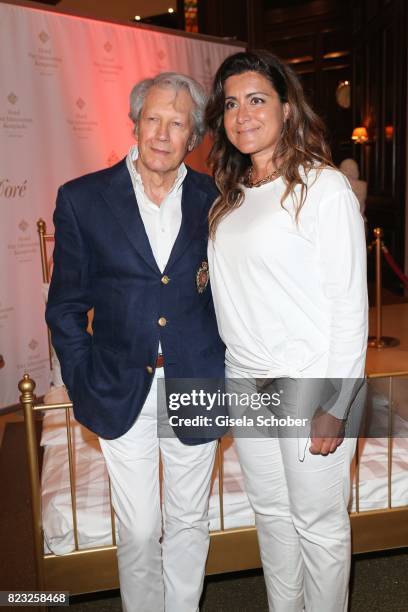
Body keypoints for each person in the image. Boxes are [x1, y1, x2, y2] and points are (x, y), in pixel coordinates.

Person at [46, 72, 225, 612]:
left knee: (191, 521)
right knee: (143, 529)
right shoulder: (82, 199)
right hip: (119, 384)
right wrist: (82, 380)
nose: (163, 134)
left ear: (194, 136)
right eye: (154, 119)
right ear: (135, 123)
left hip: (198, 379)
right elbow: (66, 307)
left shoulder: (217, 199)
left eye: (177, 123)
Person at [206, 51, 368, 612]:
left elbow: (349, 305)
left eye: (256, 100)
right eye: (231, 103)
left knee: (319, 528)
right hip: (245, 382)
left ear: (285, 106)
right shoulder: (228, 197)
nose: (242, 114)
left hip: (307, 384)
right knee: (272, 520)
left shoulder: (322, 189)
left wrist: (337, 401)